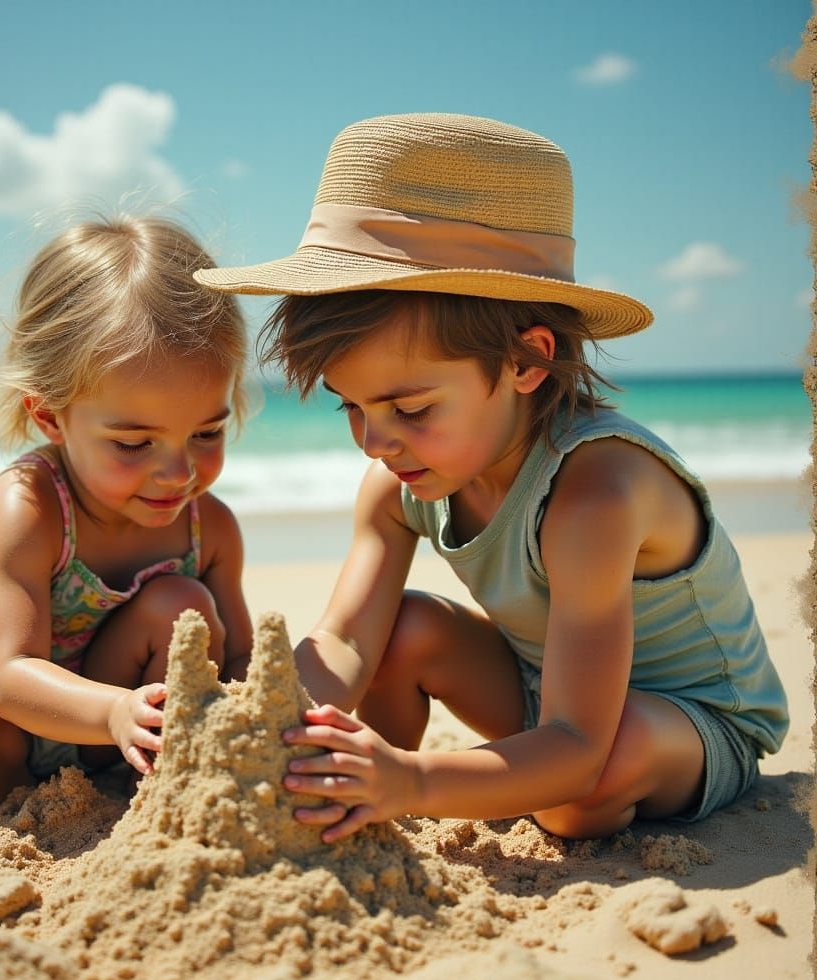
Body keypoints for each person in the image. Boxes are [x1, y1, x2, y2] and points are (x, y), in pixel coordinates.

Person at [194, 114, 789, 842]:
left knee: (576, 792)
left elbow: (576, 744)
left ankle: (400, 784)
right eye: (351, 406)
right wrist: (269, 728)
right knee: (403, 628)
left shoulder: (595, 495)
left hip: (685, 724)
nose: (375, 440)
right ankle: (353, 799)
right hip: (547, 698)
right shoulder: (399, 483)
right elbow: (347, 641)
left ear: (526, 362)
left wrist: (415, 784)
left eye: (410, 407)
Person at [0, 214, 254, 804]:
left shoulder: (210, 529)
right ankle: (23, 806)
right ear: (50, 415)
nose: (179, 472)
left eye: (207, 433)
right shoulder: (26, 508)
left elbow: (235, 658)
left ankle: (153, 786)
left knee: (185, 606)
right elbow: (6, 679)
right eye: (134, 444)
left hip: (112, 729)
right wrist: (114, 710)